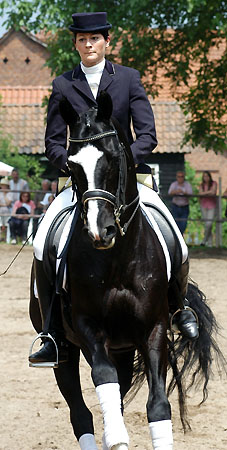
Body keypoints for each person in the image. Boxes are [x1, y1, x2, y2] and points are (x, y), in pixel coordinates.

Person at [30, 12, 198, 365]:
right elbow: (53, 142)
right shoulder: (63, 86)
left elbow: (148, 135)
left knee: (176, 240)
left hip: (129, 180)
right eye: (81, 39)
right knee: (42, 240)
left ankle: (179, 309)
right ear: (75, 43)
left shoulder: (128, 80)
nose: (88, 44)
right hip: (83, 183)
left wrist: (120, 163)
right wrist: (74, 164)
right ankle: (51, 333)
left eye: (94, 39)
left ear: (107, 41)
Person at [168, 171, 193, 235]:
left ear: (184, 177)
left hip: (184, 207)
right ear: (176, 177)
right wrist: (176, 192)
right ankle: (178, 238)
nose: (180, 178)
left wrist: (184, 193)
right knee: (176, 224)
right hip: (175, 206)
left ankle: (180, 237)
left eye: (182, 176)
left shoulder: (187, 185)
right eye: (179, 176)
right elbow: (169, 193)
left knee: (183, 224)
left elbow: (191, 194)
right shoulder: (174, 184)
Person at [199, 171, 217, 247]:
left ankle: (204, 240)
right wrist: (208, 192)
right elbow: (200, 193)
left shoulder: (214, 183)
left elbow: (213, 193)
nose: (206, 178)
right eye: (204, 176)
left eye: (207, 176)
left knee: (209, 223)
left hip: (212, 205)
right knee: (207, 224)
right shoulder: (201, 185)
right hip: (203, 205)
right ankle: (209, 244)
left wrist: (205, 193)